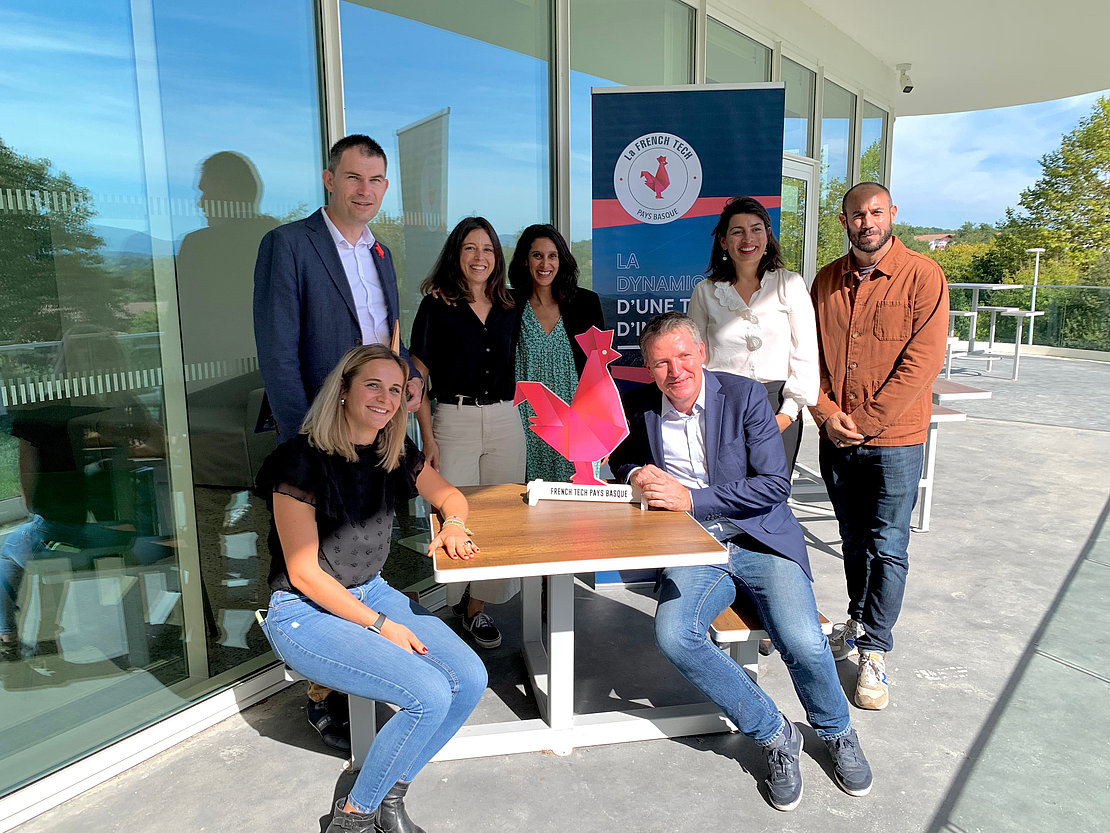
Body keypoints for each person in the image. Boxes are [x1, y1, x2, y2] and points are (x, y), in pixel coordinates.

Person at [609, 312, 872, 812]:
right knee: (673, 635)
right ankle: (773, 733)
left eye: (683, 356)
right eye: (661, 363)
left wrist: (693, 499)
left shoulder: (745, 395)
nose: (675, 370)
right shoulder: (640, 404)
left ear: (702, 352)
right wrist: (636, 473)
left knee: (800, 639)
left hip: (760, 541)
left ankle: (836, 730)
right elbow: (622, 458)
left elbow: (774, 485)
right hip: (692, 548)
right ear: (647, 369)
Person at [254, 344, 486, 833]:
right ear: (343, 390)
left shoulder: (393, 451)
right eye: (373, 385)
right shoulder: (298, 460)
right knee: (428, 694)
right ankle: (353, 820)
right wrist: (383, 626)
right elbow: (304, 573)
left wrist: (455, 525)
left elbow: (447, 494)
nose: (385, 398)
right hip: (304, 611)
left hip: (371, 590)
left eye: (396, 389)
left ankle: (387, 798)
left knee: (469, 679)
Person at [254, 134, 423, 751]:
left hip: (372, 428)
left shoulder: (382, 254)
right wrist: (313, 440)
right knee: (316, 560)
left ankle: (359, 672)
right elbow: (277, 351)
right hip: (322, 435)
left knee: (358, 553)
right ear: (329, 180)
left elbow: (386, 338)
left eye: (376, 181)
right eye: (354, 178)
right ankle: (321, 690)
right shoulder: (288, 245)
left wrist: (407, 380)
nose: (365, 190)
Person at [810, 182, 949, 710]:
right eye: (855, 214)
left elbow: (922, 361)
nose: (866, 222)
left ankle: (875, 649)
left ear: (892, 213)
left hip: (893, 439)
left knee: (887, 544)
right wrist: (825, 412)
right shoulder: (826, 281)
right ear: (843, 221)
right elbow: (813, 359)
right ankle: (857, 618)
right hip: (837, 435)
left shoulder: (922, 276)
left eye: (875, 212)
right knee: (851, 538)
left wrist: (863, 421)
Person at [409, 217, 524, 650]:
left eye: (488, 249)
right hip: (451, 420)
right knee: (452, 513)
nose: (480, 257)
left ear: (497, 257)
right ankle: (453, 600)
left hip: (504, 419)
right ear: (456, 254)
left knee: (502, 515)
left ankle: (477, 607)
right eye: (470, 248)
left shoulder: (511, 305)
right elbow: (417, 378)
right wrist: (428, 437)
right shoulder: (436, 305)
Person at [689, 196, 818, 473]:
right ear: (723, 241)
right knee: (725, 490)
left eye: (756, 229)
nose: (748, 238)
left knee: (771, 497)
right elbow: (694, 357)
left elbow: (805, 355)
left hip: (777, 404)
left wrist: (786, 415)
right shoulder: (705, 292)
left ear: (767, 235)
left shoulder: (791, 284)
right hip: (723, 405)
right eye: (737, 231)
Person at [507, 223, 604, 482]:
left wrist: (602, 426)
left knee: (576, 501)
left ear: (562, 260)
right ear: (525, 261)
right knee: (528, 499)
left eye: (552, 256)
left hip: (577, 417)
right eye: (536, 255)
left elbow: (600, 369)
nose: (544, 264)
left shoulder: (586, 303)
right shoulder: (508, 304)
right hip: (525, 418)